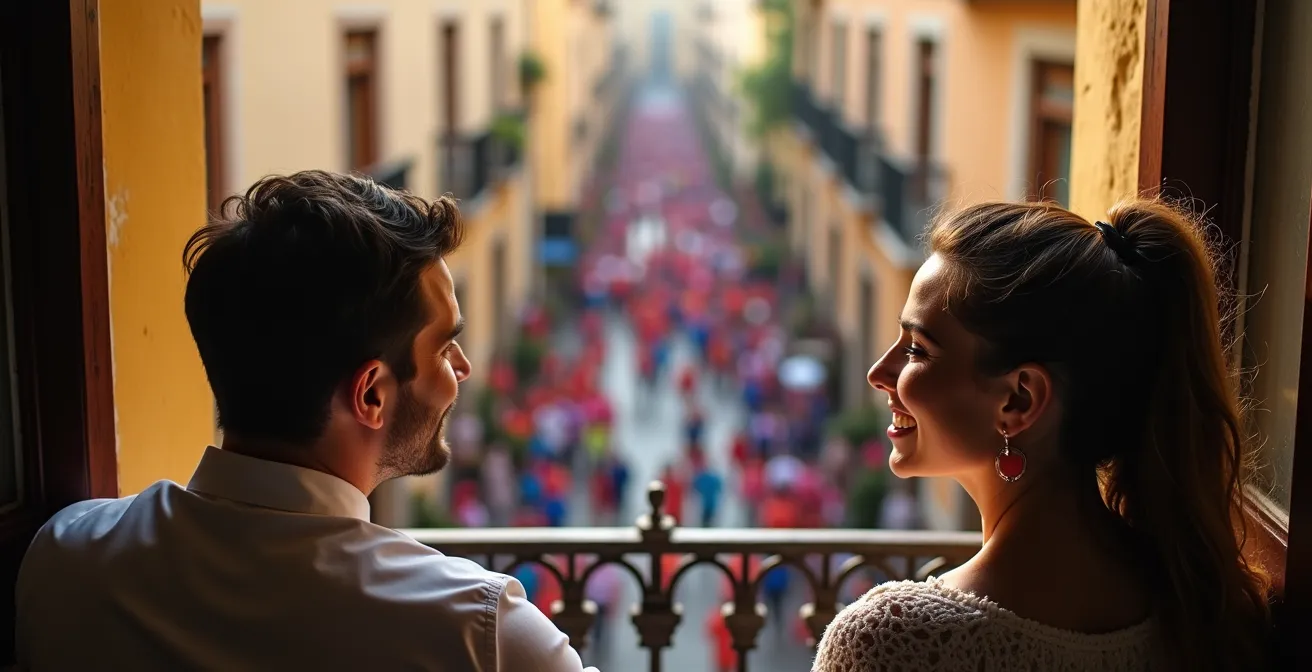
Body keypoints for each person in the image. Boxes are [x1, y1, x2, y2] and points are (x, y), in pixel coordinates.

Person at [16, 172, 595, 671]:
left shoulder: (67, 557)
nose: (462, 369)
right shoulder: (483, 634)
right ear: (370, 394)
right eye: (445, 348)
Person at [813, 201, 1271, 671]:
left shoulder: (893, 643)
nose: (878, 372)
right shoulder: (1197, 606)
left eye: (917, 349)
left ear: (1019, 401)